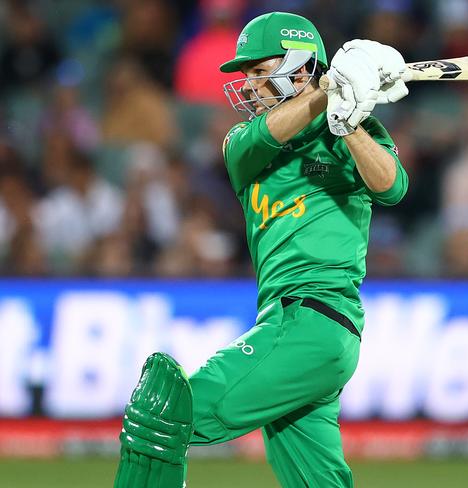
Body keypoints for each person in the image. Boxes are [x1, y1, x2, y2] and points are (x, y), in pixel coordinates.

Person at [114, 11, 409, 488]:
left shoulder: (351, 132)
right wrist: (324, 95)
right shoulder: (240, 144)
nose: (247, 85)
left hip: (312, 321)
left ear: (298, 66)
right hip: (293, 325)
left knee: (162, 415)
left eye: (257, 71)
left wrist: (350, 121)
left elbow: (392, 187)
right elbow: (270, 134)